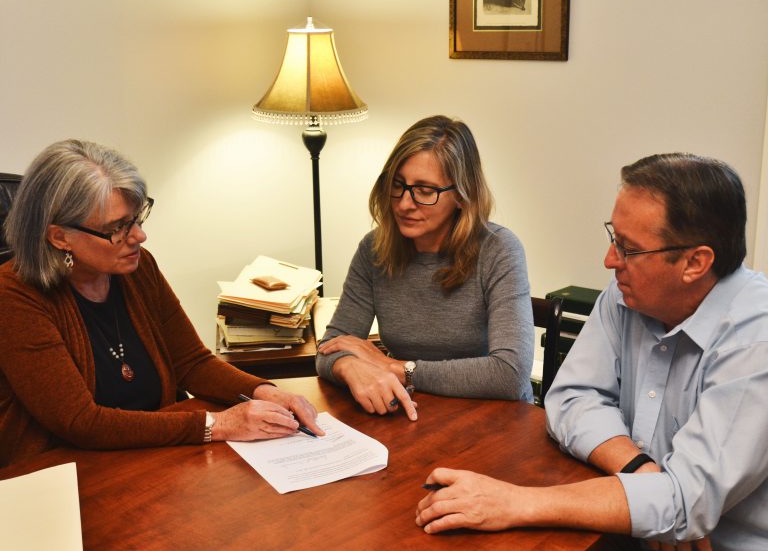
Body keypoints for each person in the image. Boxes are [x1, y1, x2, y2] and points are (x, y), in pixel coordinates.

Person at [415, 152, 768, 550]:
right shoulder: (626, 295)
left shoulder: (757, 339)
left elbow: (685, 504)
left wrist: (516, 501)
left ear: (695, 263)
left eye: (629, 249)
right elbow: (570, 396)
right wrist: (639, 470)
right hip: (631, 531)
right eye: (613, 237)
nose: (610, 261)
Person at [0, 139, 323, 468]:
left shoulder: (137, 268)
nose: (139, 236)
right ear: (59, 237)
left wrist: (264, 391)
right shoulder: (13, 296)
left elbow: (192, 363)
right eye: (117, 228)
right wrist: (218, 424)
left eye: (137, 218)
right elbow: (82, 422)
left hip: (158, 456)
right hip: (70, 474)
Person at [315, 115, 534, 421]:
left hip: (492, 421)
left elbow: (509, 374)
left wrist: (397, 368)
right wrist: (348, 365)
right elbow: (331, 348)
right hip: (411, 413)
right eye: (398, 185)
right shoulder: (374, 249)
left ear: (461, 194)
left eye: (425, 191)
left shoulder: (499, 250)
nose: (405, 204)